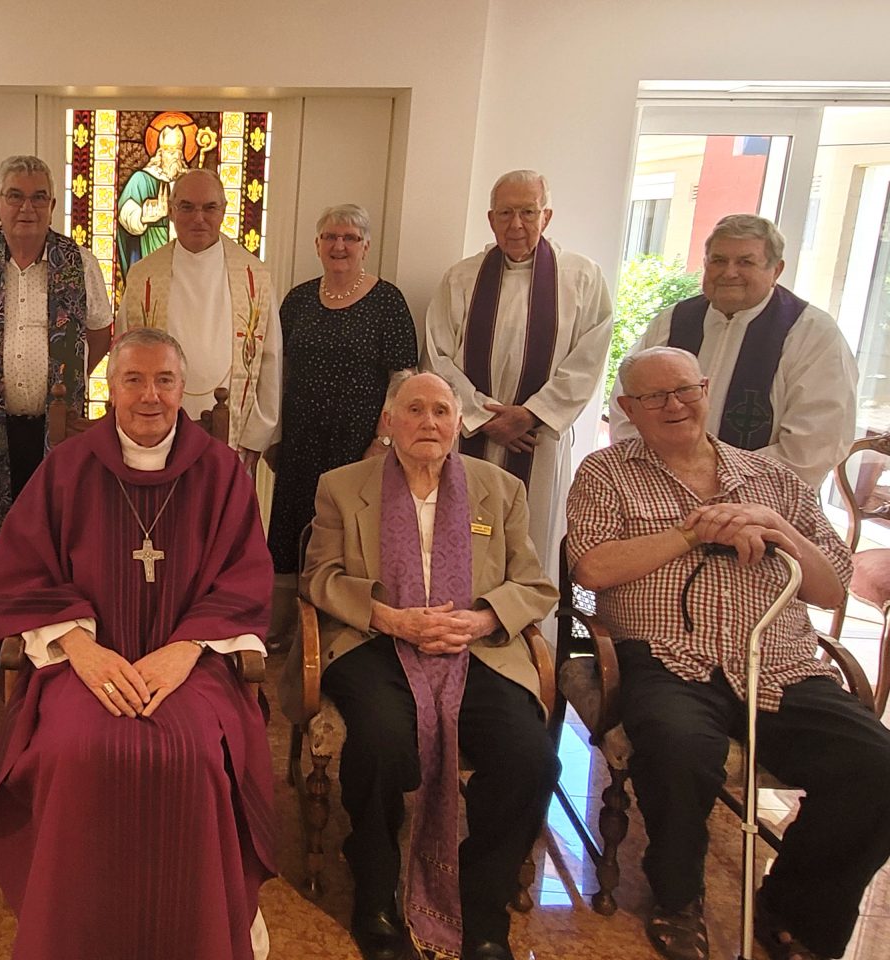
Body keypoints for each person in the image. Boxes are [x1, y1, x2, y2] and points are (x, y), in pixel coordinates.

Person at [569, 345, 890, 960]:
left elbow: (831, 589)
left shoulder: (772, 480)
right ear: (628, 409)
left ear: (706, 389)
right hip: (667, 656)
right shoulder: (606, 473)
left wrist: (776, 529)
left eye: (685, 389)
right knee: (679, 746)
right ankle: (678, 896)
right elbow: (592, 569)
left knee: (877, 769)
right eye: (654, 397)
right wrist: (693, 533)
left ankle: (799, 919)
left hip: (779, 663)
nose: (674, 405)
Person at [0, 327, 275, 960]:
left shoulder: (221, 471)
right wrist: (80, 648)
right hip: (87, 656)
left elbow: (245, 579)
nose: (150, 396)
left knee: (193, 756)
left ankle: (185, 950)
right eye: (133, 380)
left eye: (164, 381)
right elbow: (19, 572)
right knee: (77, 748)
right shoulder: (68, 466)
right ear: (110, 391)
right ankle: (66, 944)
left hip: (189, 662)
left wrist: (185, 649)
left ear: (183, 388)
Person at [301, 370, 558, 960]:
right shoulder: (342, 487)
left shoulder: (500, 491)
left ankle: (483, 908)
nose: (429, 423)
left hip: (474, 647)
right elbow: (320, 576)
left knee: (530, 756)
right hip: (375, 642)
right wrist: (391, 617)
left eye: (442, 411)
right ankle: (375, 879)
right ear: (389, 422)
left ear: (457, 423)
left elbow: (533, 584)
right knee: (386, 740)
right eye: (413, 410)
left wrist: (479, 618)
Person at [0, 154, 113, 681]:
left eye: (39, 196)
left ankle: (53, 635)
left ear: (53, 205)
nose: (27, 206)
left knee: (57, 531)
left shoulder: (78, 261)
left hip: (58, 426)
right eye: (15, 195)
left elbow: (102, 333)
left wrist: (61, 385)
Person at [423, 169, 612, 579]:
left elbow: (589, 357)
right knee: (456, 537)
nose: (517, 224)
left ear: (546, 216)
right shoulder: (462, 277)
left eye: (528, 212)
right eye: (506, 213)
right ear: (490, 219)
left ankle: (523, 635)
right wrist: (481, 416)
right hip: (469, 434)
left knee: (528, 540)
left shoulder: (581, 278)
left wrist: (532, 414)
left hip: (536, 441)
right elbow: (437, 356)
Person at [609, 214, 858, 490]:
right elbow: (628, 400)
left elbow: (815, 443)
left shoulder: (811, 333)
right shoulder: (674, 320)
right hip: (658, 487)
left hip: (759, 505)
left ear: (776, 270)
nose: (729, 272)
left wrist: (714, 483)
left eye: (745, 262)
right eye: (718, 260)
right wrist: (650, 472)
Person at [265, 203, 417, 644]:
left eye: (350, 238)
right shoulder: (297, 299)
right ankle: (285, 628)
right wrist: (275, 436)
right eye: (331, 237)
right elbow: (278, 371)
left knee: (348, 532)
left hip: (358, 444)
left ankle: (337, 627)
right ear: (317, 244)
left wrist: (384, 440)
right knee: (293, 527)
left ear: (366, 246)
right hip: (301, 440)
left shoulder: (387, 301)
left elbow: (403, 378)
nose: (339, 246)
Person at [118, 169, 282, 468]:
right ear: (170, 210)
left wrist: (258, 435)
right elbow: (122, 357)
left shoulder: (254, 277)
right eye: (187, 207)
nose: (198, 218)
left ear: (223, 211)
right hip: (154, 428)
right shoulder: (144, 276)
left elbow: (270, 360)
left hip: (233, 434)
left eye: (209, 207)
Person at [115, 112, 192, 273]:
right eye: (169, 150)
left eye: (177, 150)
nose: (173, 155)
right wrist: (144, 216)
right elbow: (125, 214)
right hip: (150, 247)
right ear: (159, 152)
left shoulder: (189, 181)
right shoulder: (141, 179)